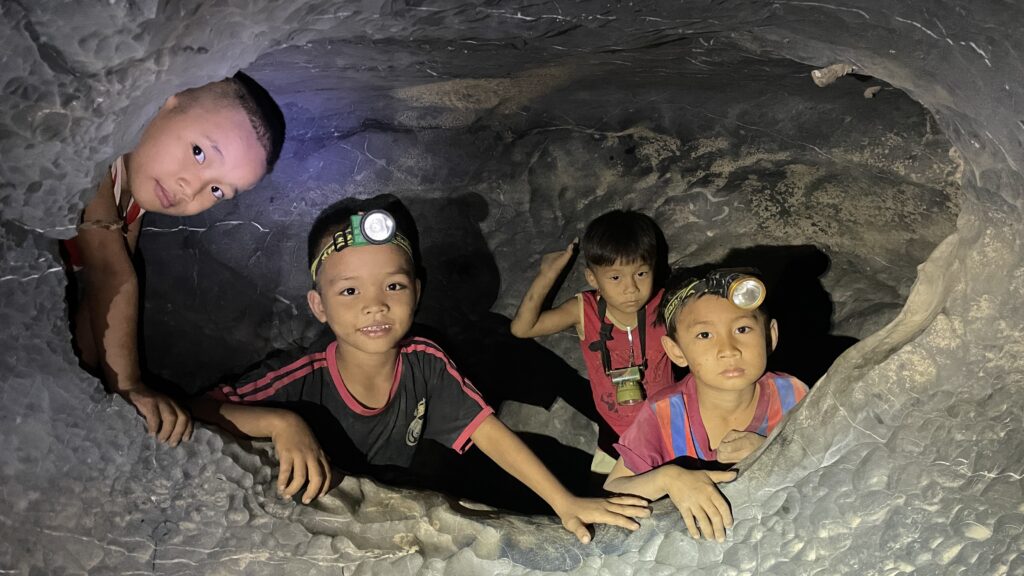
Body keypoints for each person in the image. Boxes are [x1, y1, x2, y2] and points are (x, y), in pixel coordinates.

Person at [190, 195, 651, 544]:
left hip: (400, 495)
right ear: (319, 305)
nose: (375, 305)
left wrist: (563, 502)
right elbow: (198, 409)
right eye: (350, 292)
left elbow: (487, 432)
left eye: (393, 285)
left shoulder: (424, 360)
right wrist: (280, 421)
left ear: (417, 290)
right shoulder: (300, 376)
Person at [62, 72, 286, 447]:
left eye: (217, 190)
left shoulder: (131, 203)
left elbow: (97, 300)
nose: (191, 188)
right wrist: (129, 385)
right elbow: (108, 273)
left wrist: (81, 375)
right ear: (168, 100)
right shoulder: (97, 162)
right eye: (199, 153)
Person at [603, 268, 808, 542]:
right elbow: (615, 489)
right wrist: (670, 479)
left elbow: (828, 464)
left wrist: (771, 454)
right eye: (704, 335)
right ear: (676, 351)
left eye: (742, 329)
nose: (729, 350)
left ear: (770, 336)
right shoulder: (664, 412)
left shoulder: (792, 395)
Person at [510, 210, 674, 464]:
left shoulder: (666, 305)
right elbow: (522, 329)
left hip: (669, 426)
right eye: (616, 277)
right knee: (606, 499)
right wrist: (548, 274)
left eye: (641, 273)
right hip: (614, 434)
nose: (630, 288)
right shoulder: (584, 310)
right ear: (592, 278)